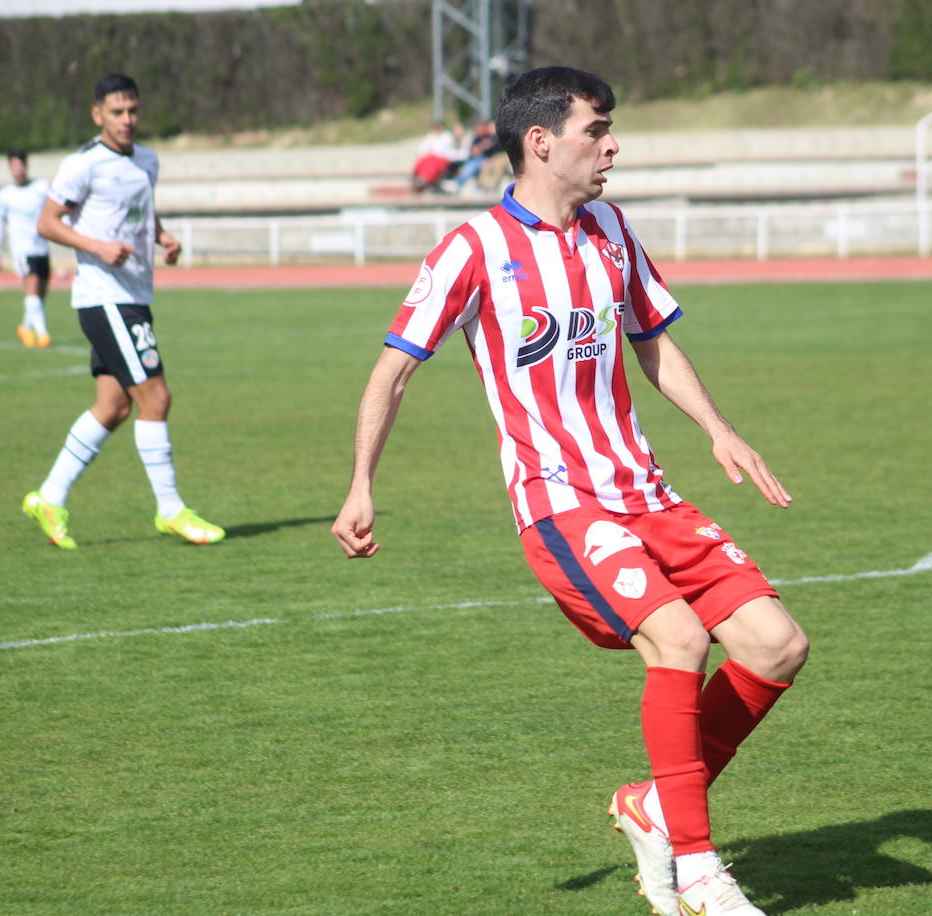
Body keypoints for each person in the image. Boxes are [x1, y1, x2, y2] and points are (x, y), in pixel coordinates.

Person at [331, 66, 806, 916]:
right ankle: (697, 869)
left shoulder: (613, 229)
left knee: (776, 645)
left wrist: (717, 426)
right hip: (561, 503)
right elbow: (392, 372)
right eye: (597, 129)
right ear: (540, 142)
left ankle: (655, 803)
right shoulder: (472, 250)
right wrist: (361, 483)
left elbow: (651, 340)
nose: (613, 144)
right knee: (680, 641)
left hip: (647, 493)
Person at [21, 73, 224, 549]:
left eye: (133, 110)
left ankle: (49, 497)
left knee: (113, 407)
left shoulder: (148, 161)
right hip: (104, 296)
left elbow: (140, 212)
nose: (127, 119)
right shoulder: (82, 165)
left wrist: (162, 236)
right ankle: (171, 510)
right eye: (117, 112)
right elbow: (48, 223)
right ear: (98, 115)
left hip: (133, 296)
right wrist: (95, 245)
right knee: (156, 398)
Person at [0, 149, 53, 348]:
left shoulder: (41, 187)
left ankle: (26, 327)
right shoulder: (4, 195)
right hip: (22, 250)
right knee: (32, 287)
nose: (18, 169)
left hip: (41, 247)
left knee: (41, 293)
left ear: (26, 166)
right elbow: (0, 225)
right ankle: (42, 334)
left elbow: (53, 211)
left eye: (21, 165)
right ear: (10, 167)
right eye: (14, 166)